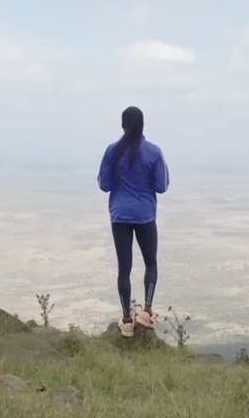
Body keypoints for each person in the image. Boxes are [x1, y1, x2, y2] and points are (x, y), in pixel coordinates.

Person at [98, 106, 170, 337]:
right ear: (142, 125)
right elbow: (162, 186)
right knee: (150, 263)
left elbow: (104, 184)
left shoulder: (112, 151)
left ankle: (127, 321)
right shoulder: (154, 152)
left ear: (122, 125)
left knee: (124, 269)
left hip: (119, 215)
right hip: (145, 215)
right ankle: (147, 311)